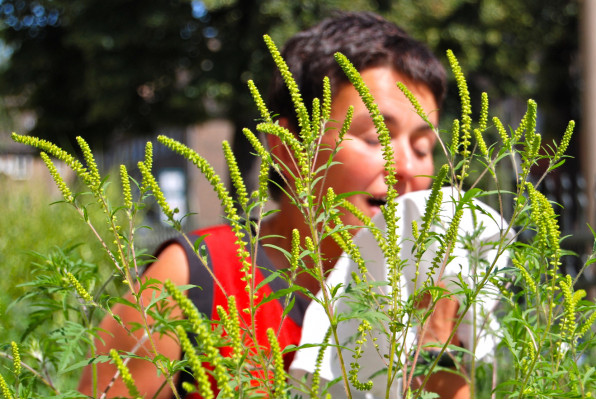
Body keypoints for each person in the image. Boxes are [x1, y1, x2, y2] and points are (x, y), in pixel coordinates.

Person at [78, 11, 470, 398]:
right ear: (289, 148)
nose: (405, 167)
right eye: (375, 138)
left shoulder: (433, 292)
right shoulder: (195, 276)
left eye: (423, 147)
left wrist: (431, 347)